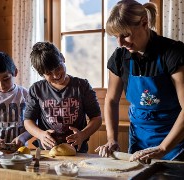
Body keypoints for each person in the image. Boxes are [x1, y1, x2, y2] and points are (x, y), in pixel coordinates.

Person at [95, 0, 184, 162]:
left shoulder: (173, 53)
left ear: (144, 22)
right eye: (116, 37)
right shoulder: (120, 58)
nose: (120, 43)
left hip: (175, 142)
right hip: (139, 141)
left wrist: (163, 148)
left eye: (125, 34)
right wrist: (112, 139)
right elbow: (111, 100)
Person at [24, 42, 102, 153]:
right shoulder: (37, 89)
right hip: (47, 151)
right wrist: (40, 134)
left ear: (62, 58)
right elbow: (28, 121)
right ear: (42, 74)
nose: (56, 75)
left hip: (78, 151)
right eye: (49, 73)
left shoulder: (82, 86)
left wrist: (83, 135)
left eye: (58, 67)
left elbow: (97, 118)